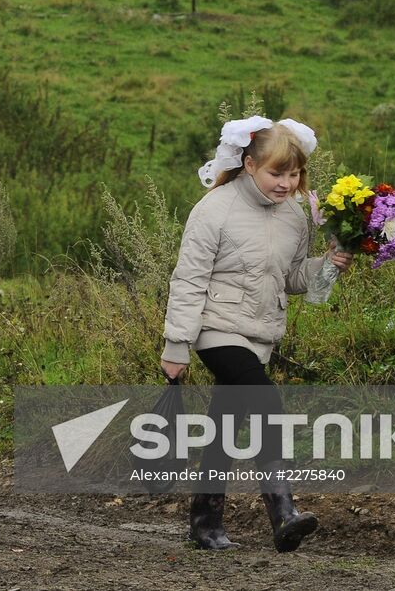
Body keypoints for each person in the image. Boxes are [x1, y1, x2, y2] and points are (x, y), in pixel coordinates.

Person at [160, 117, 352, 553]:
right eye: (276, 173)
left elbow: (291, 278)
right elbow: (188, 279)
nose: (287, 183)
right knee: (267, 400)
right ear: (248, 164)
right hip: (216, 328)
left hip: (261, 333)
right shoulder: (214, 210)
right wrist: (177, 345)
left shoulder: (295, 215)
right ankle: (282, 512)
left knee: (226, 425)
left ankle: (204, 524)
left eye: (294, 173)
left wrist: (328, 267)